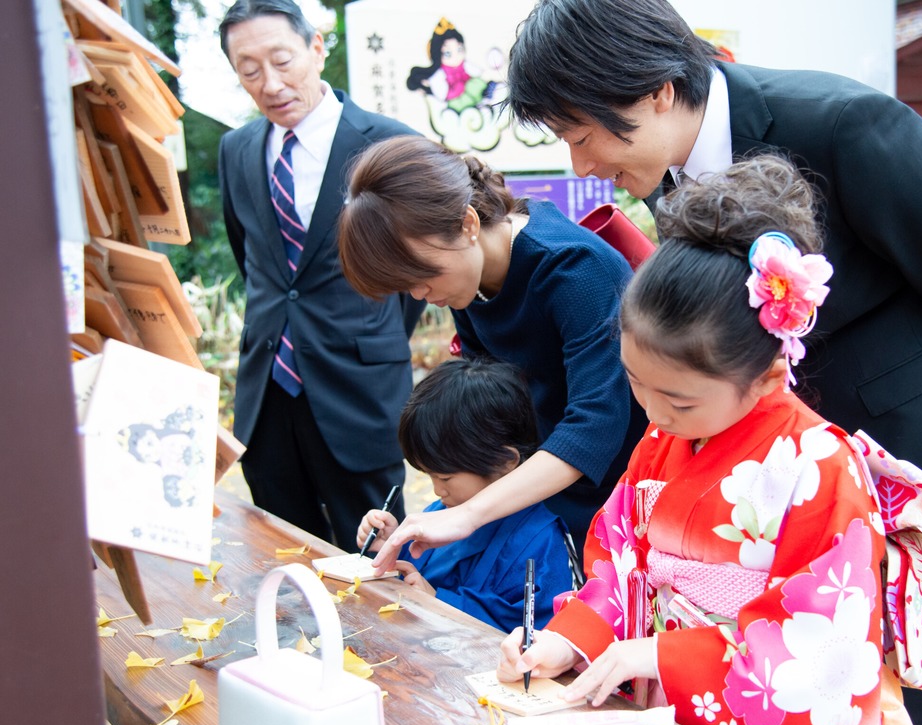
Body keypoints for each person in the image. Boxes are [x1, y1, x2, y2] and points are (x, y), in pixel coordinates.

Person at [505, 2, 922, 725]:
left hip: (905, 438)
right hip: (748, 443)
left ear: (656, 90)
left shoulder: (843, 125)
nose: (580, 166)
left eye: (580, 134)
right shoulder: (664, 160)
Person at [499, 154, 922, 725]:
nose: (654, 414)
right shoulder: (663, 441)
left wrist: (663, 655)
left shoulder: (819, 466)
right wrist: (567, 640)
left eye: (680, 400)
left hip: (747, 718)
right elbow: (620, 564)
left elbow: (817, 655)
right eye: (636, 383)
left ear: (768, 371)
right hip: (668, 703)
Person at [338, 134, 646, 571]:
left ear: (467, 224)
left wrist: (468, 514)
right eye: (406, 285)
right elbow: (489, 411)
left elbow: (595, 424)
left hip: (617, 498)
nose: (421, 295)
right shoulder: (469, 280)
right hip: (533, 494)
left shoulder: (574, 269)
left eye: (424, 275)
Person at [217, 0, 423, 550]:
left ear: (315, 48)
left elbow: (414, 274)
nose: (270, 83)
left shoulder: (388, 142)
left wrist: (370, 331)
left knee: (376, 557)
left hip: (358, 386)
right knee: (280, 553)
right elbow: (255, 260)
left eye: (282, 60)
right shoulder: (236, 150)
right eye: (249, 70)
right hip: (267, 392)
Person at [355, 357, 573, 633]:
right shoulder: (442, 511)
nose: (437, 490)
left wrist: (439, 603)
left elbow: (534, 631)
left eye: (445, 478)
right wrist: (392, 546)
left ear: (505, 462)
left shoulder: (540, 543)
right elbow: (413, 573)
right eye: (429, 476)